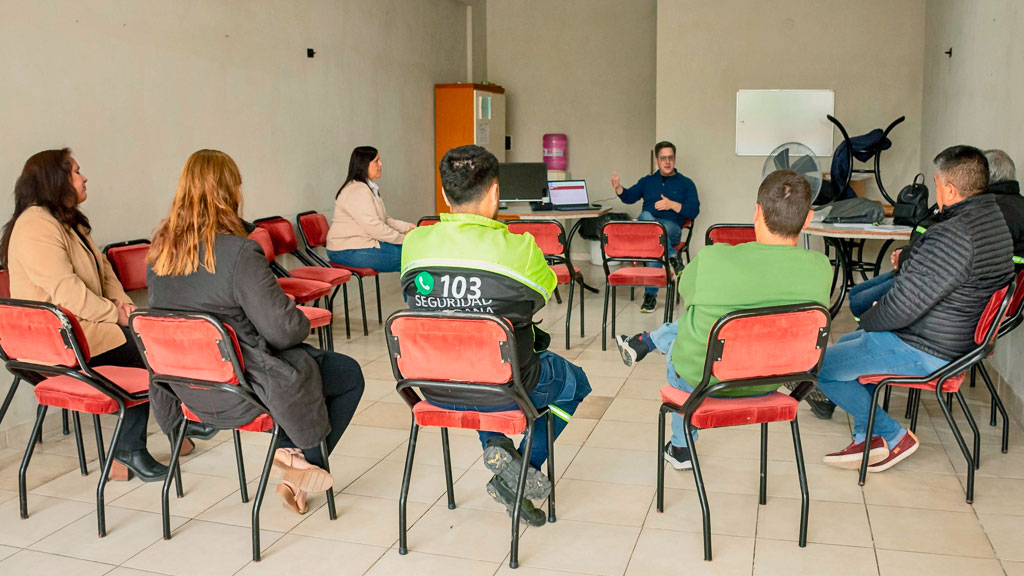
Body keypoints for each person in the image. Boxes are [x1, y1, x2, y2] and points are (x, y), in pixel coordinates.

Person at [146, 149, 365, 514]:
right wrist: (293, 313)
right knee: (347, 374)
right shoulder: (239, 252)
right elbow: (283, 332)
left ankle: (295, 461)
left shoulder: (160, 254)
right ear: (230, 192)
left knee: (309, 375)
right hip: (245, 388)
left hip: (190, 389)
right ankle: (301, 465)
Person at [400, 145, 591, 527]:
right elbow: (542, 294)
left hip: (432, 386)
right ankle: (519, 471)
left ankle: (499, 448)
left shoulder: (415, 245)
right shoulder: (519, 250)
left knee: (482, 365)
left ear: (444, 193)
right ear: (494, 193)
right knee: (572, 384)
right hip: (506, 383)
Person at [813, 145, 1013, 473]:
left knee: (818, 365)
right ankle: (868, 436)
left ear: (950, 189)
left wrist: (870, 318)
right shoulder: (993, 221)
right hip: (952, 339)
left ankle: (892, 436)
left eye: (937, 184)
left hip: (927, 349)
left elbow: (902, 307)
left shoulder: (954, 234)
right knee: (848, 345)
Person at [615, 170, 831, 470]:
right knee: (725, 324)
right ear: (808, 219)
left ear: (757, 212)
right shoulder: (822, 268)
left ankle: (681, 447)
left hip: (706, 380)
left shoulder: (714, 258)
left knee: (692, 328)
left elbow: (687, 295)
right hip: (775, 381)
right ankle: (650, 342)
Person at [0, 149, 181, 482]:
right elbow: (67, 291)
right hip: (58, 342)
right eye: (76, 171)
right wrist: (117, 315)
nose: (84, 178)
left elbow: (105, 271)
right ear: (55, 179)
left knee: (148, 340)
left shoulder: (68, 221)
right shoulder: (35, 225)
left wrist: (123, 307)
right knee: (150, 350)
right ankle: (132, 450)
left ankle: (174, 428)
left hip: (84, 327)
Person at [848, 148, 1024, 319]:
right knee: (862, 301)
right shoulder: (1001, 207)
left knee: (862, 304)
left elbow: (942, 254)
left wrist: (905, 257)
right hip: (955, 285)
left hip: (949, 290)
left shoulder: (984, 213)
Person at [610, 141, 700, 313]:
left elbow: (694, 211)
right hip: (651, 233)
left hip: (672, 228)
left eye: (671, 158)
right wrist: (619, 188)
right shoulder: (648, 181)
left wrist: (672, 205)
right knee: (651, 232)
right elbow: (629, 196)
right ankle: (672, 257)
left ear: (675, 159)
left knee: (648, 225)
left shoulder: (686, 183)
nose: (667, 162)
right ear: (656, 160)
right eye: (663, 158)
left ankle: (650, 295)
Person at [326, 146, 415, 272]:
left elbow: (384, 220)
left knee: (414, 254)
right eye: (376, 161)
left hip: (359, 245)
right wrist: (404, 239)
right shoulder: (357, 190)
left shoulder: (368, 188)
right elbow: (374, 226)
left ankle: (417, 292)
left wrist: (408, 228)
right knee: (413, 256)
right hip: (346, 250)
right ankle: (418, 292)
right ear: (364, 165)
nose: (381, 164)